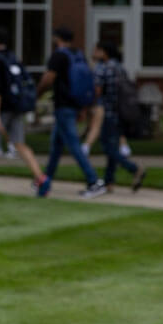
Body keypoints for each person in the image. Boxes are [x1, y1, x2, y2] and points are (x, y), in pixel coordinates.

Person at [0, 27, 48, 193]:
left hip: (2, 108)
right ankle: (40, 177)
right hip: (17, 106)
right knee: (20, 143)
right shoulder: (13, 57)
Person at [38, 26, 107, 198]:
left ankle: (93, 181)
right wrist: (83, 107)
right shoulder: (78, 54)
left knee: (73, 145)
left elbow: (48, 78)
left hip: (63, 105)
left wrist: (36, 94)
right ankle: (45, 179)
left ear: (57, 38)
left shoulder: (59, 55)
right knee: (56, 145)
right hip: (75, 103)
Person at [92, 41, 147, 192]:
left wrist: (90, 107)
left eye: (97, 50)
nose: (94, 53)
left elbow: (97, 90)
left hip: (108, 112)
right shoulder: (120, 68)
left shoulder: (102, 68)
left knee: (107, 147)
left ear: (104, 52)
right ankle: (109, 182)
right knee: (113, 146)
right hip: (122, 113)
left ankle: (134, 168)